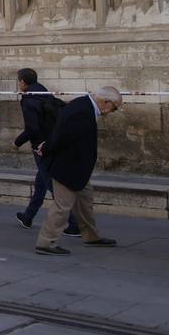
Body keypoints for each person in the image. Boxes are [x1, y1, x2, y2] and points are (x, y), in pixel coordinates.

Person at [35, 87, 123, 254]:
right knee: (62, 206)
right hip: (67, 167)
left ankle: (91, 236)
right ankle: (46, 242)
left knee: (85, 201)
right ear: (106, 102)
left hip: (77, 168)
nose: (113, 111)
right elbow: (62, 135)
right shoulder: (83, 111)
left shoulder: (84, 106)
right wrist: (46, 148)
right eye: (115, 107)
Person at [14, 69, 78, 233]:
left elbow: (32, 128)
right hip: (53, 142)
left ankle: (74, 224)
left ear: (22, 82)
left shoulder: (29, 99)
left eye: (18, 81)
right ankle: (28, 217)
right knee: (41, 182)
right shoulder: (44, 92)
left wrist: (17, 142)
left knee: (51, 184)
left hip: (41, 147)